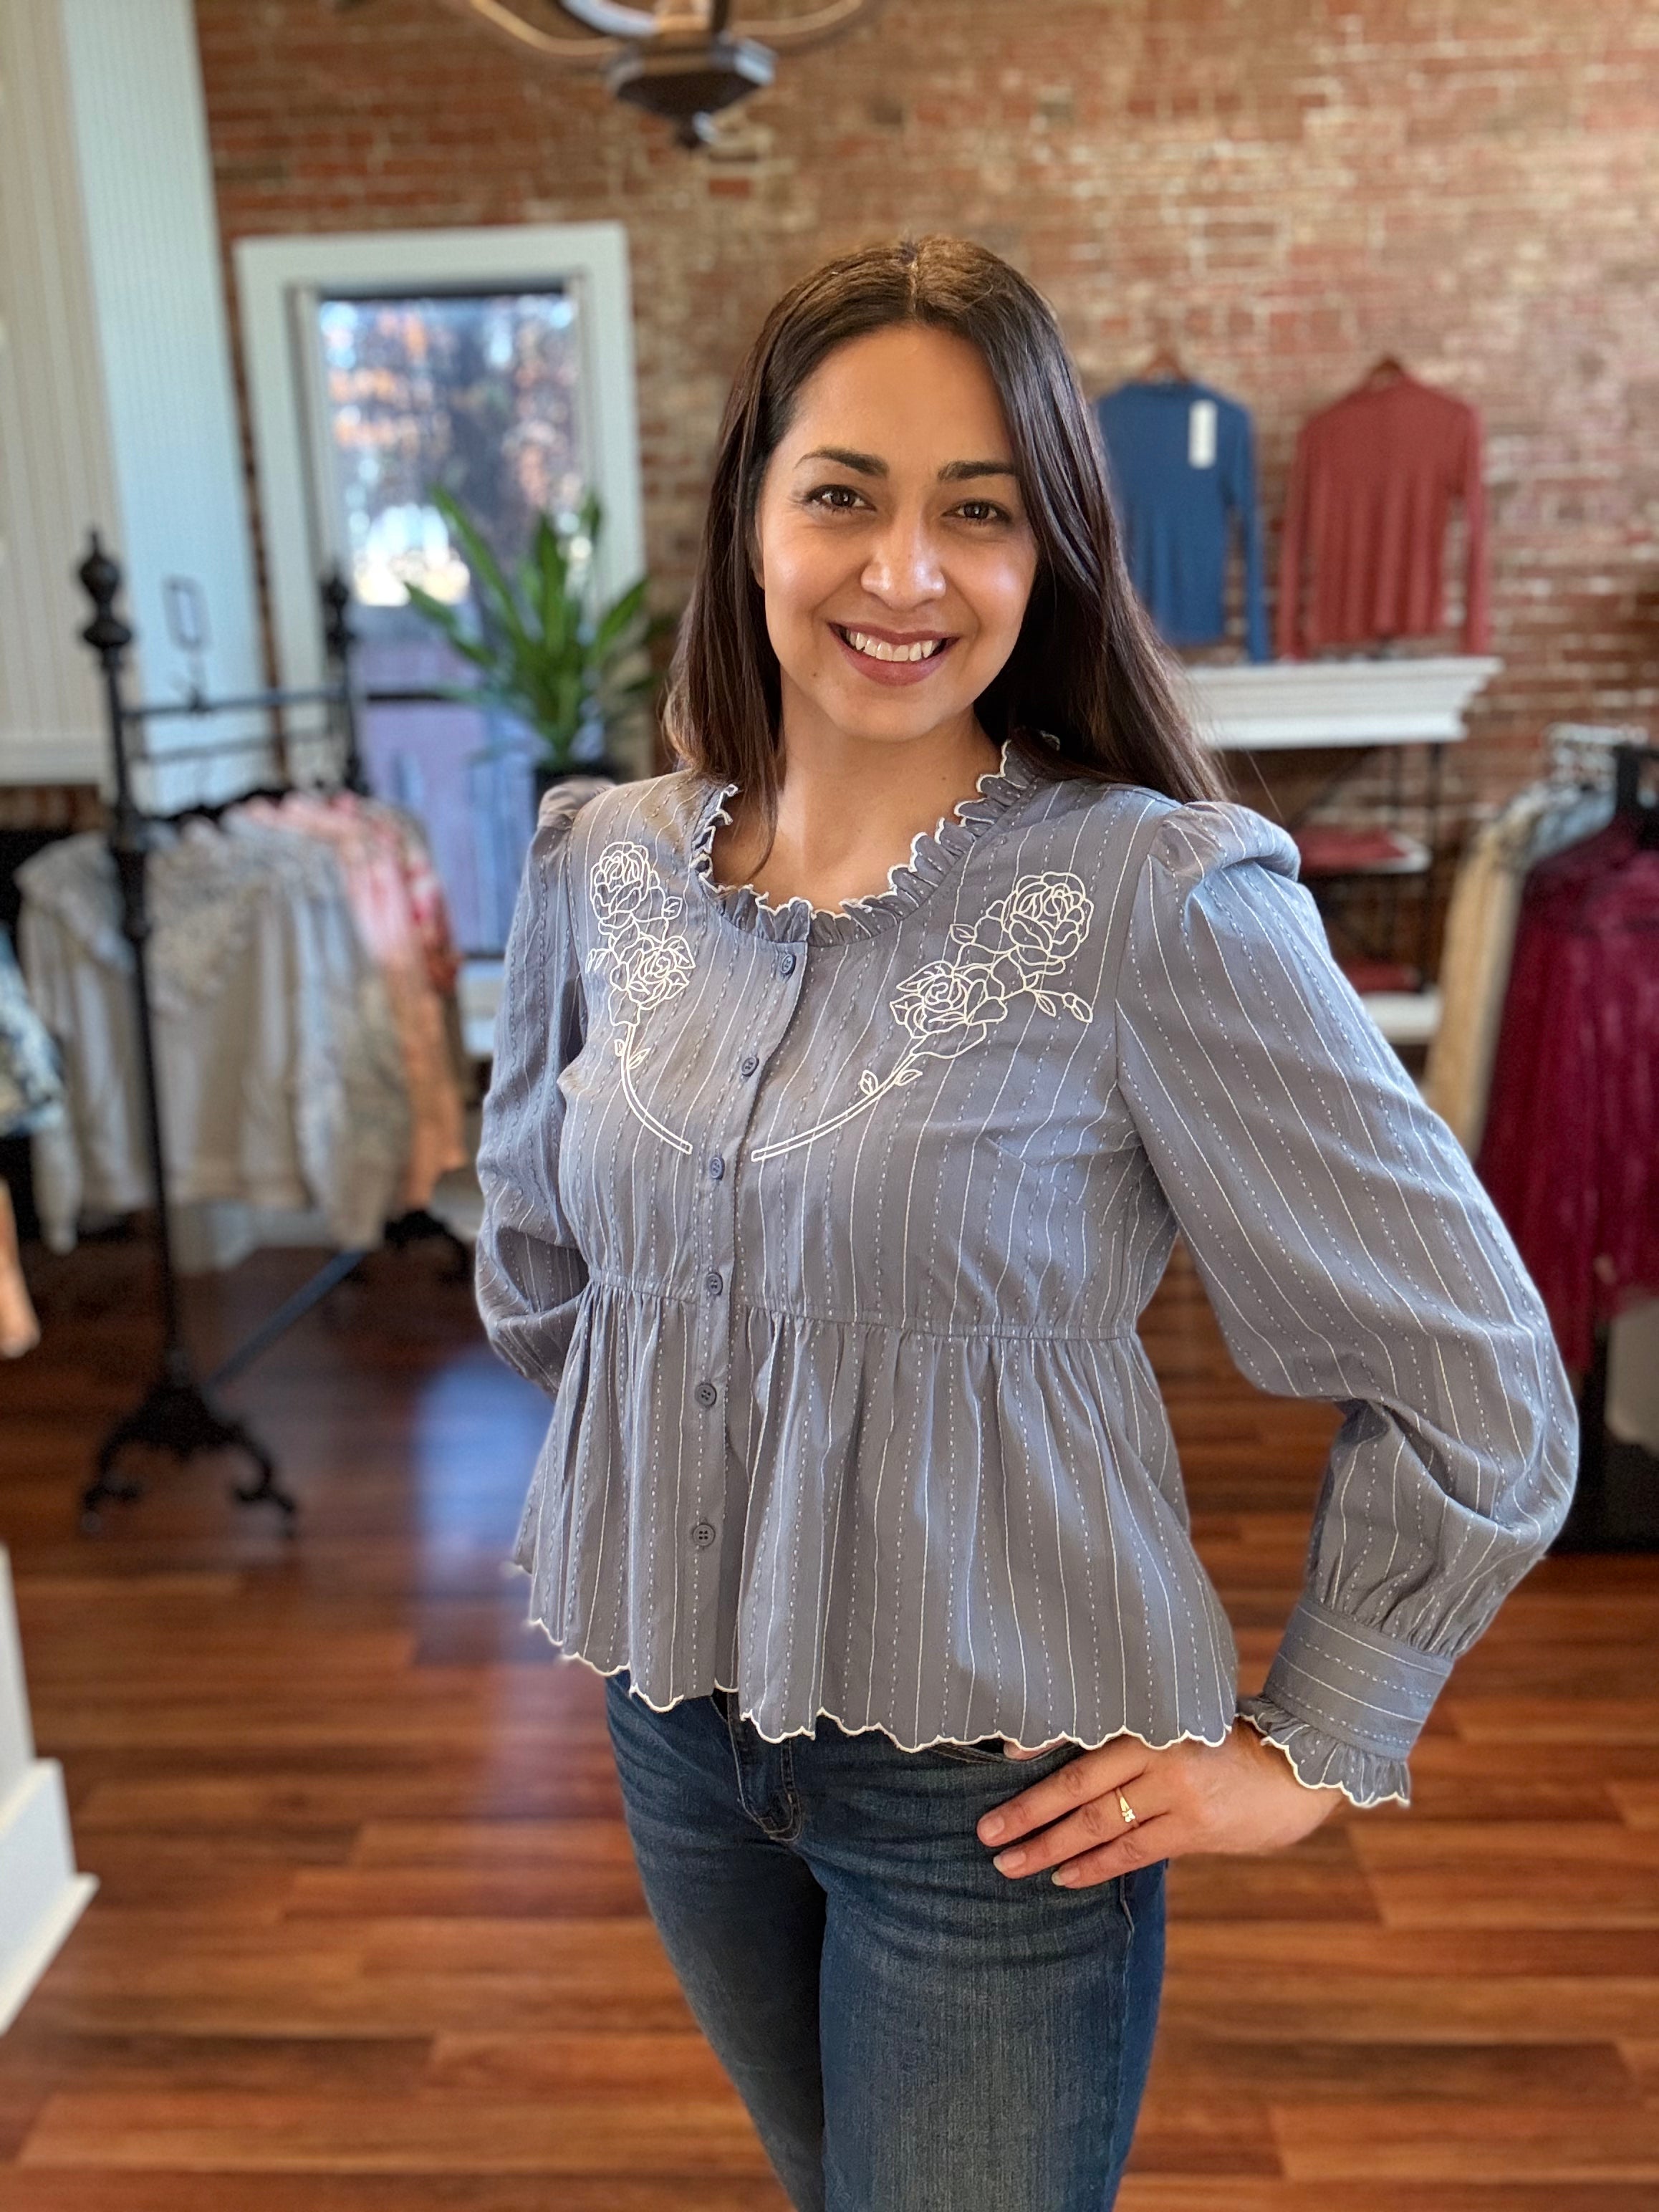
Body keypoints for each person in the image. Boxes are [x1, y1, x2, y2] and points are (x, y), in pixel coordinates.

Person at [475, 234, 1577, 2212]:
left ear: (1048, 550)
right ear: (749, 517)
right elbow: (543, 1259)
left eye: (977, 512)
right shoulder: (602, 860)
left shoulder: (1156, 896)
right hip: (668, 1723)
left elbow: (1472, 1360)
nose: (902, 573)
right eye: (843, 495)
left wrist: (1314, 1740)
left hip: (994, 1807)